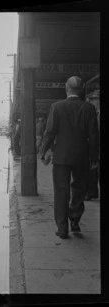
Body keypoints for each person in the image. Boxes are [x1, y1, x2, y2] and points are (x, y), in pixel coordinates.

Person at [40, 76, 99, 239]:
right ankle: (74, 220)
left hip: (61, 157)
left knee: (61, 192)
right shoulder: (89, 109)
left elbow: (50, 132)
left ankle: (62, 228)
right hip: (81, 157)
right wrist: (94, 158)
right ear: (81, 90)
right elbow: (94, 136)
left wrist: (44, 152)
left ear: (66, 88)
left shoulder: (56, 107)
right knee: (79, 189)